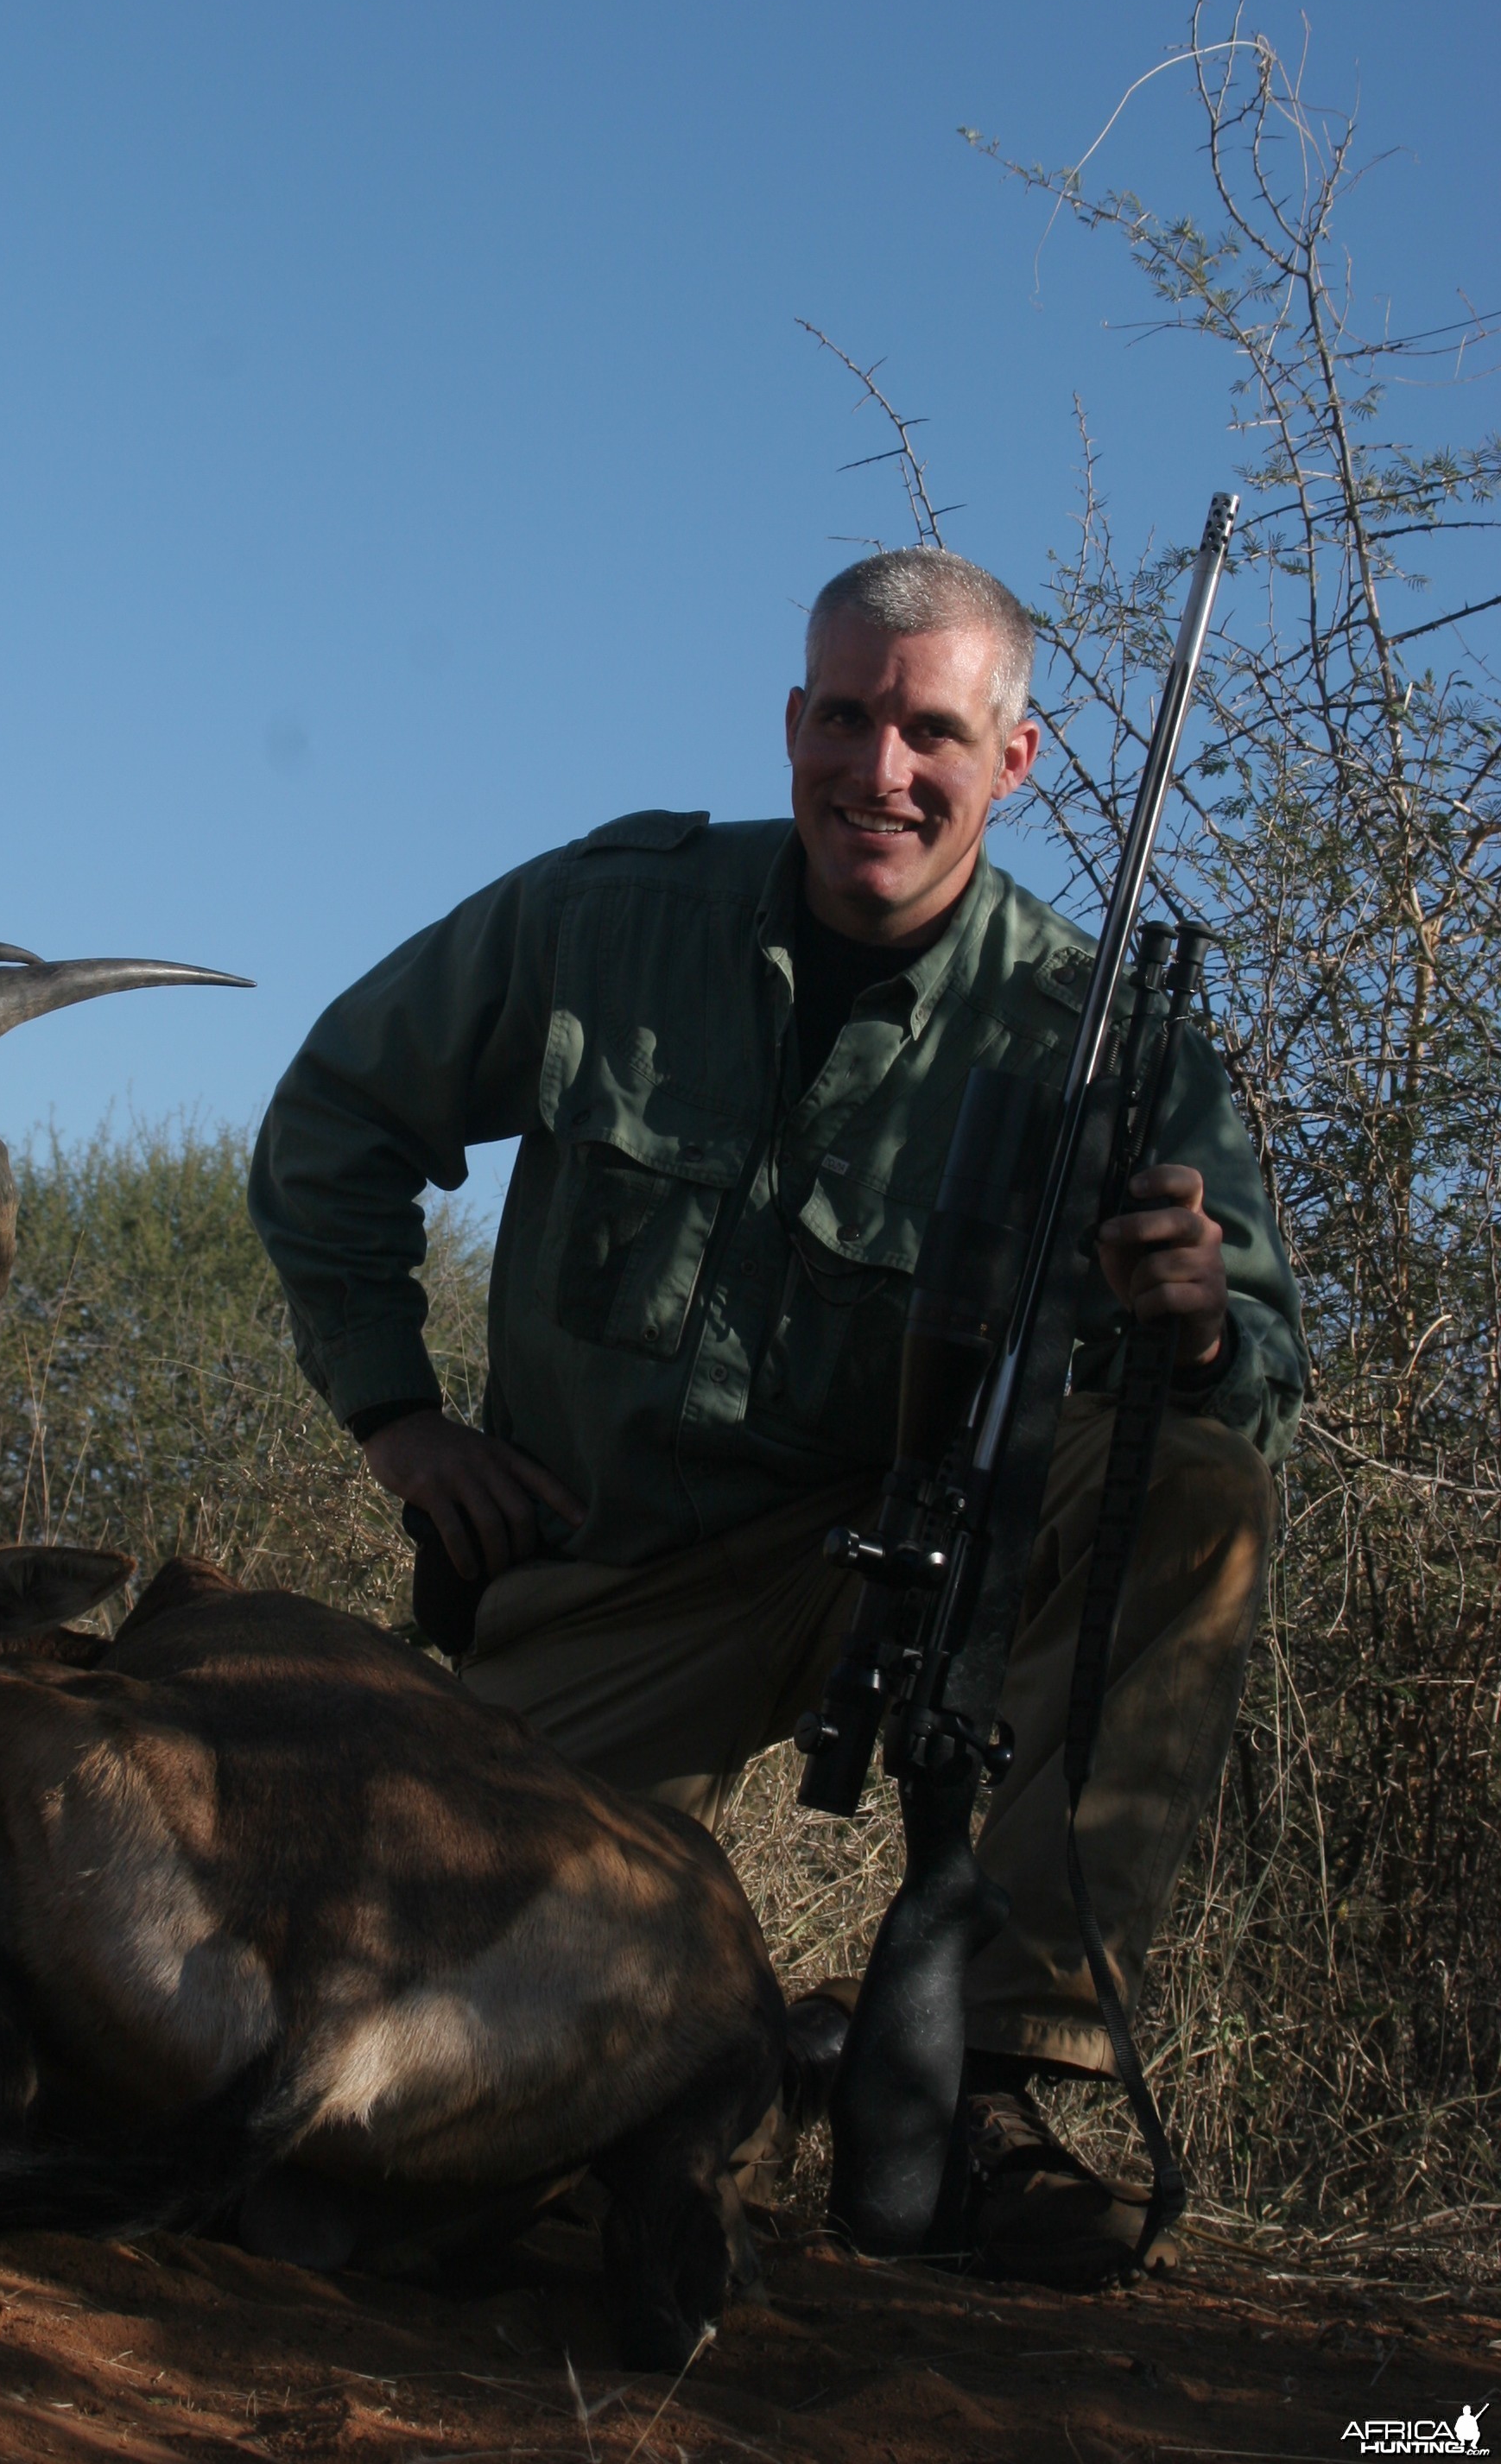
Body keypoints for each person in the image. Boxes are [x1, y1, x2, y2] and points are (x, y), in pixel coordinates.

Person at [248, 548, 1301, 2283]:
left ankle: (992, 2090)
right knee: (403, 2006)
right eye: (844, 717)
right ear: (793, 719)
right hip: (621, 1582)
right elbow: (333, 1123)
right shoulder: (607, 914)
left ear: (1012, 763)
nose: (877, 771)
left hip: (917, 1555)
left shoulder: (1096, 1034)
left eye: (931, 734)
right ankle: (735, 2067)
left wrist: (1188, 1333)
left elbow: (1247, 1362)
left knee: (1192, 1481)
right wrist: (397, 1418)